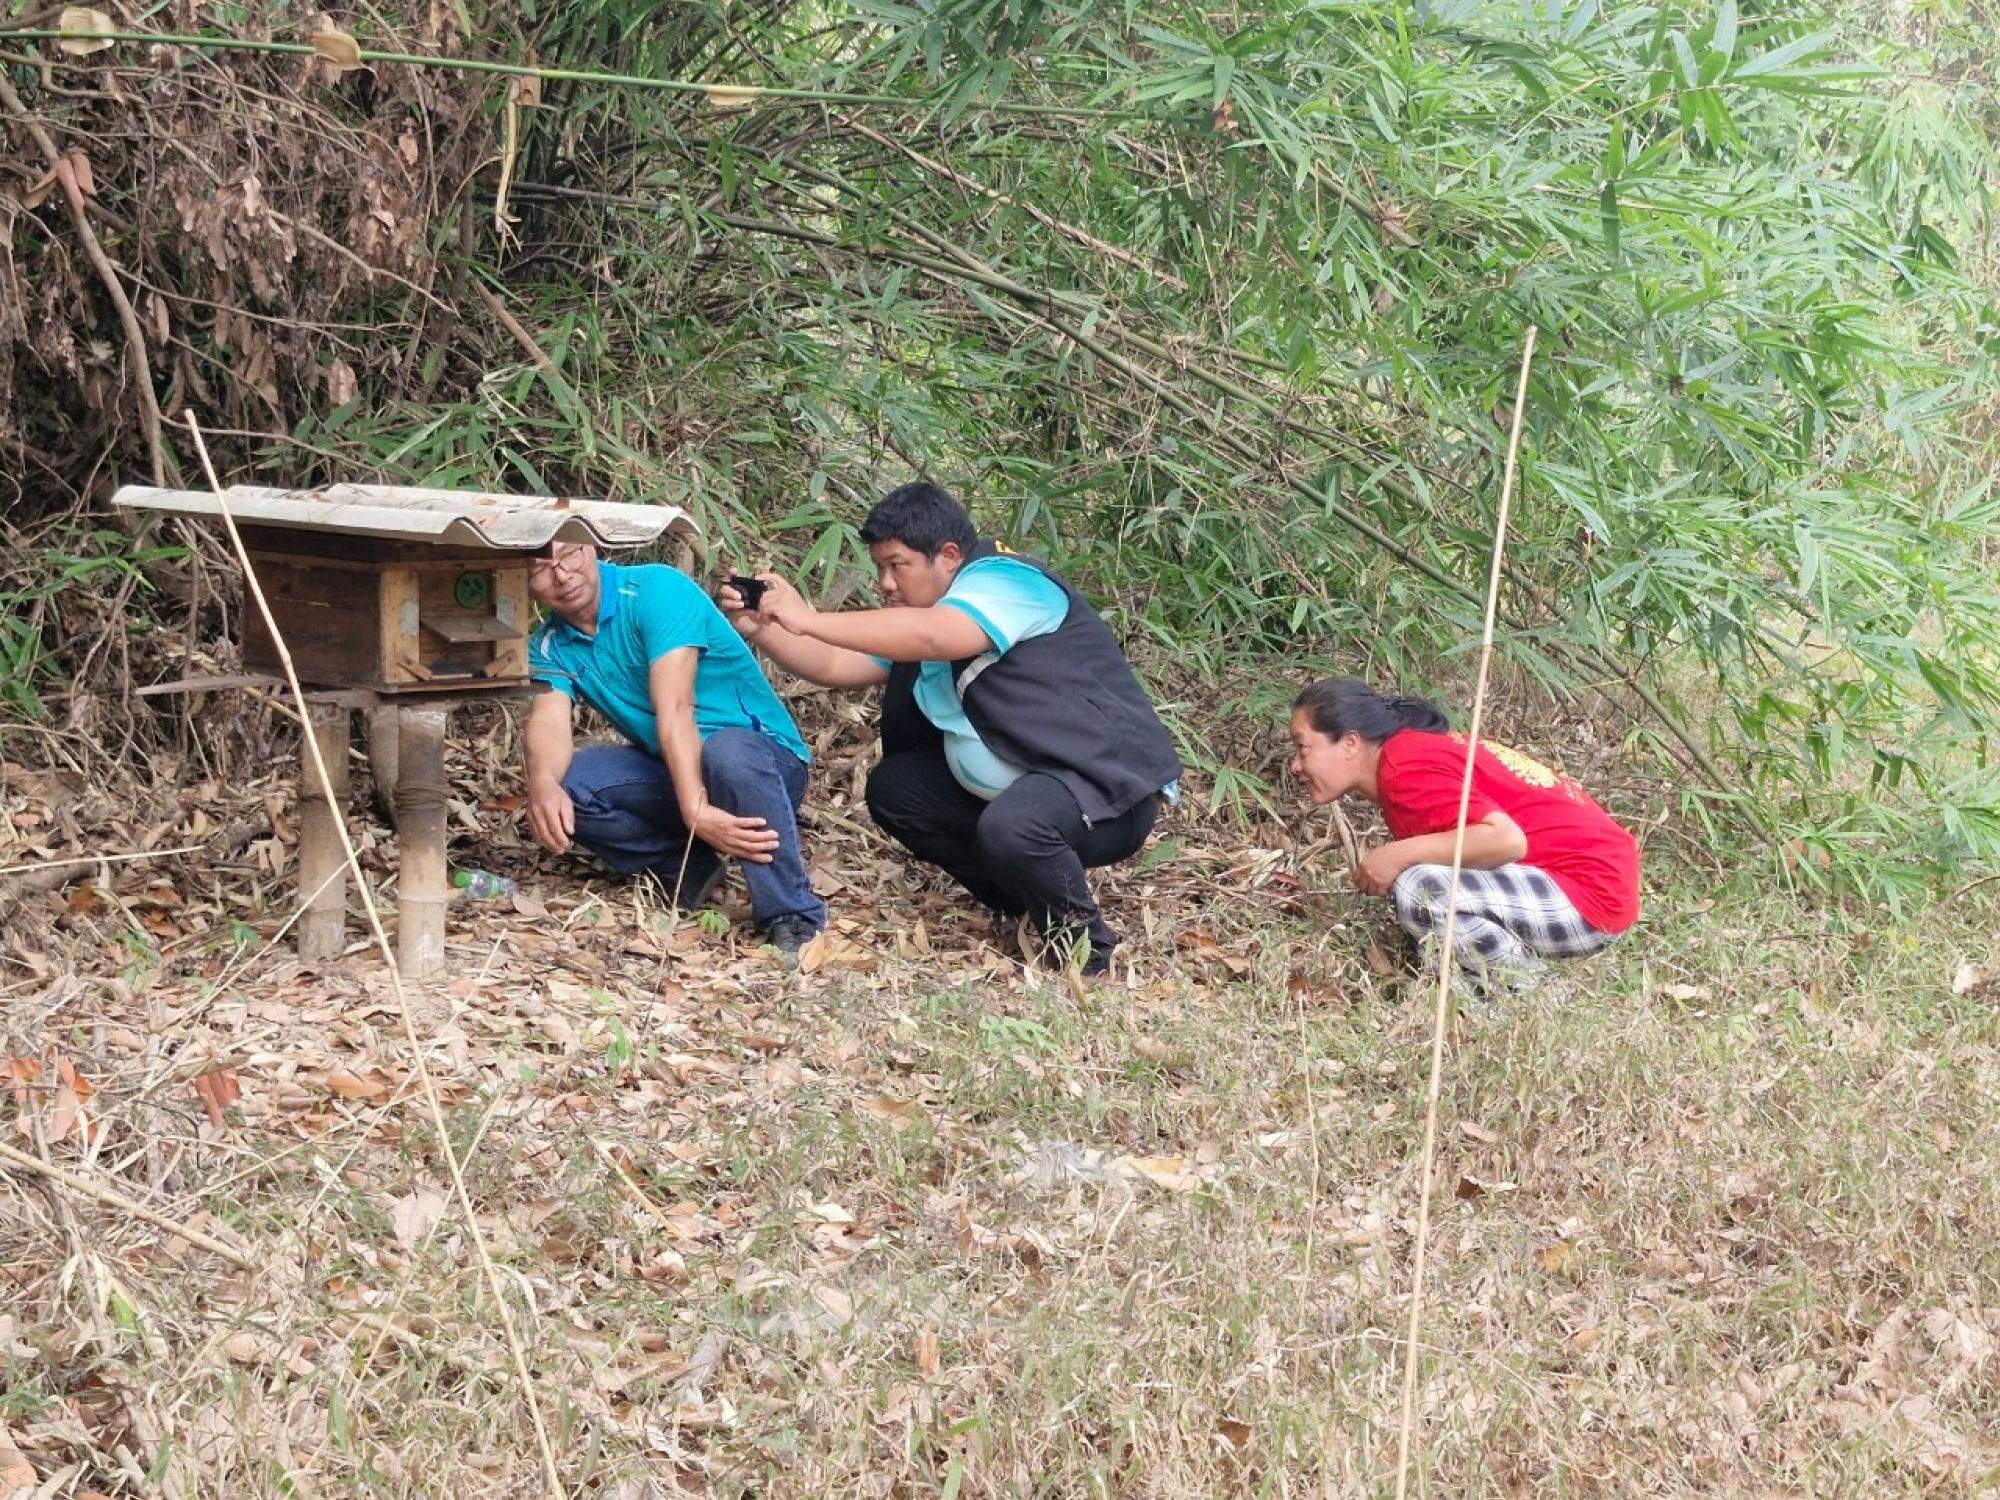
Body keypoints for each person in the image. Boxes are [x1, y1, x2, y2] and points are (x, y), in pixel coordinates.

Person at [724, 482, 1181, 977]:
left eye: (897, 565)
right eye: (879, 568)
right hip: (1027, 788)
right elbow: (835, 663)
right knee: (897, 790)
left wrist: (807, 618)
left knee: (1015, 827)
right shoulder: (921, 621)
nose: (885, 583)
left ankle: (1086, 951)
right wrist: (764, 628)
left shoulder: (1007, 581)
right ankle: (1024, 901)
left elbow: (934, 636)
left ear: (947, 556)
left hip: (1104, 793)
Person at [521, 539, 827, 951]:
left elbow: (676, 708)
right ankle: (686, 869)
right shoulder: (548, 644)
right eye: (540, 569)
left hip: (763, 764)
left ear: (592, 547)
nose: (562, 575)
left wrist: (695, 808)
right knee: (570, 787)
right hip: (676, 768)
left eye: (570, 554)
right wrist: (542, 783)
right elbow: (549, 721)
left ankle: (792, 914)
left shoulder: (656, 591)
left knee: (727, 752)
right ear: (522, 582)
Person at [1287, 676, 1639, 979]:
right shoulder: (1409, 753)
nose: (1295, 766)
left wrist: (1396, 855)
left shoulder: (1404, 768)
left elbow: (1506, 840)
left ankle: (1528, 994)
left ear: (1350, 743)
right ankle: (1479, 998)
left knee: (1420, 889)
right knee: (1430, 902)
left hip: (1590, 892)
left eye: (1303, 748)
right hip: (1597, 882)